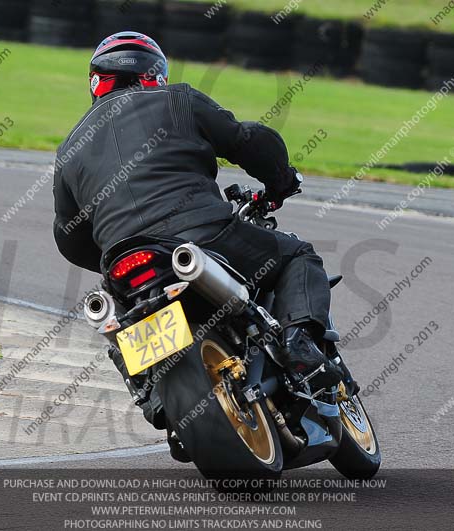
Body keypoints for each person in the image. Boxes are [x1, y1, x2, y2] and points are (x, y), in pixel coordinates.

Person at [53, 32, 345, 427]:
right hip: (201, 234)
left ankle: (153, 394)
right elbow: (247, 140)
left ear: (95, 82)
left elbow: (68, 237)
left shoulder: (70, 147)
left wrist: (112, 251)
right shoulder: (178, 99)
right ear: (154, 74)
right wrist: (281, 181)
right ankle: (299, 344)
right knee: (297, 255)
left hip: (125, 264)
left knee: (123, 315)